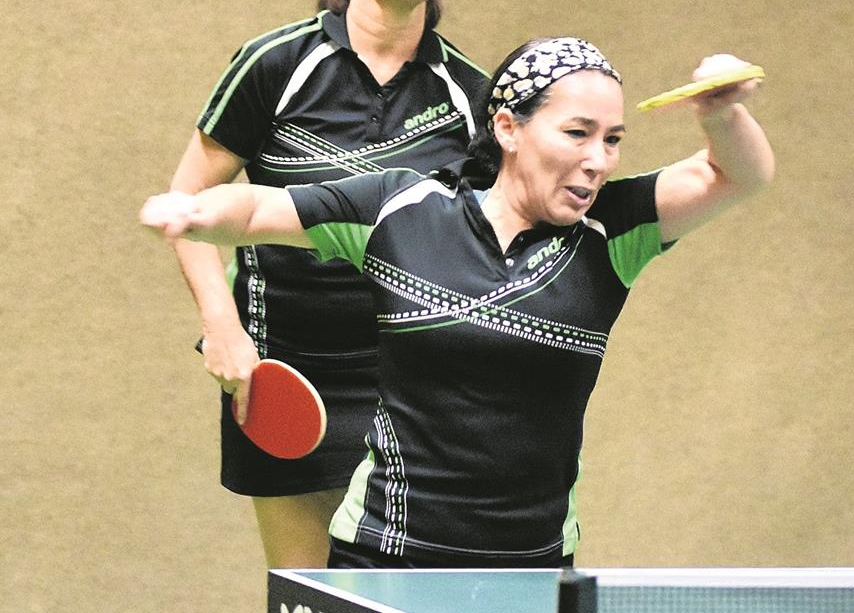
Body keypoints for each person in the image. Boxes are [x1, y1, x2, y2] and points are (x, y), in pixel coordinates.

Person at [142, 37, 775, 568]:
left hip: (532, 562)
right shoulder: (402, 209)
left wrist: (722, 114)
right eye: (577, 133)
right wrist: (196, 210)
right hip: (387, 552)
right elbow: (258, 206)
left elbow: (736, 175)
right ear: (508, 128)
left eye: (612, 140)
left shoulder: (613, 231)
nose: (597, 161)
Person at [164, 0, 487, 568]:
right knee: (307, 595)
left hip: (409, 383)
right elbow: (186, 208)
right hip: (285, 373)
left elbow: (483, 245)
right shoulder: (276, 65)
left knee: (409, 595)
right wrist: (222, 329)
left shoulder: (468, 93)